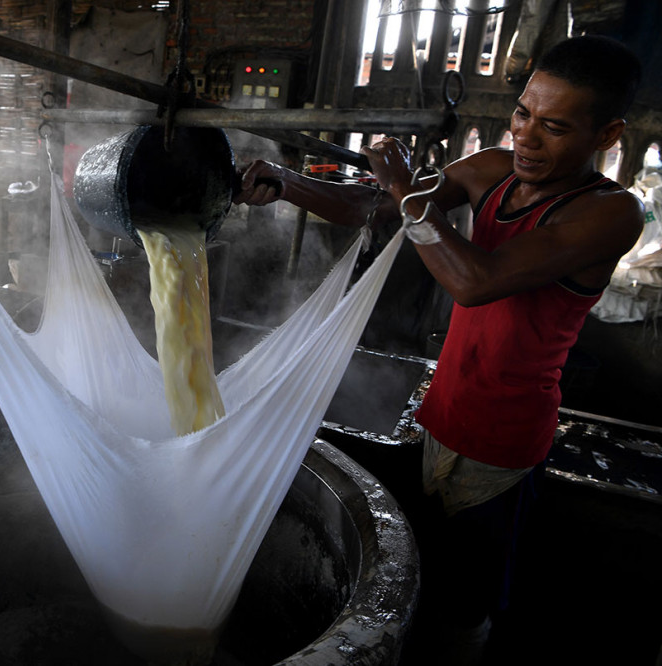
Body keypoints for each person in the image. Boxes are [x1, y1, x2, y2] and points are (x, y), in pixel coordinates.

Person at [234, 34, 643, 663]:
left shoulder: (609, 214)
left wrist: (405, 191)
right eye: (523, 114)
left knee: (465, 596)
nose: (527, 137)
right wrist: (285, 182)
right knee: (425, 565)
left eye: (555, 127)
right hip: (443, 412)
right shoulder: (492, 170)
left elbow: (474, 281)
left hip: (502, 442)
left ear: (607, 134)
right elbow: (368, 206)